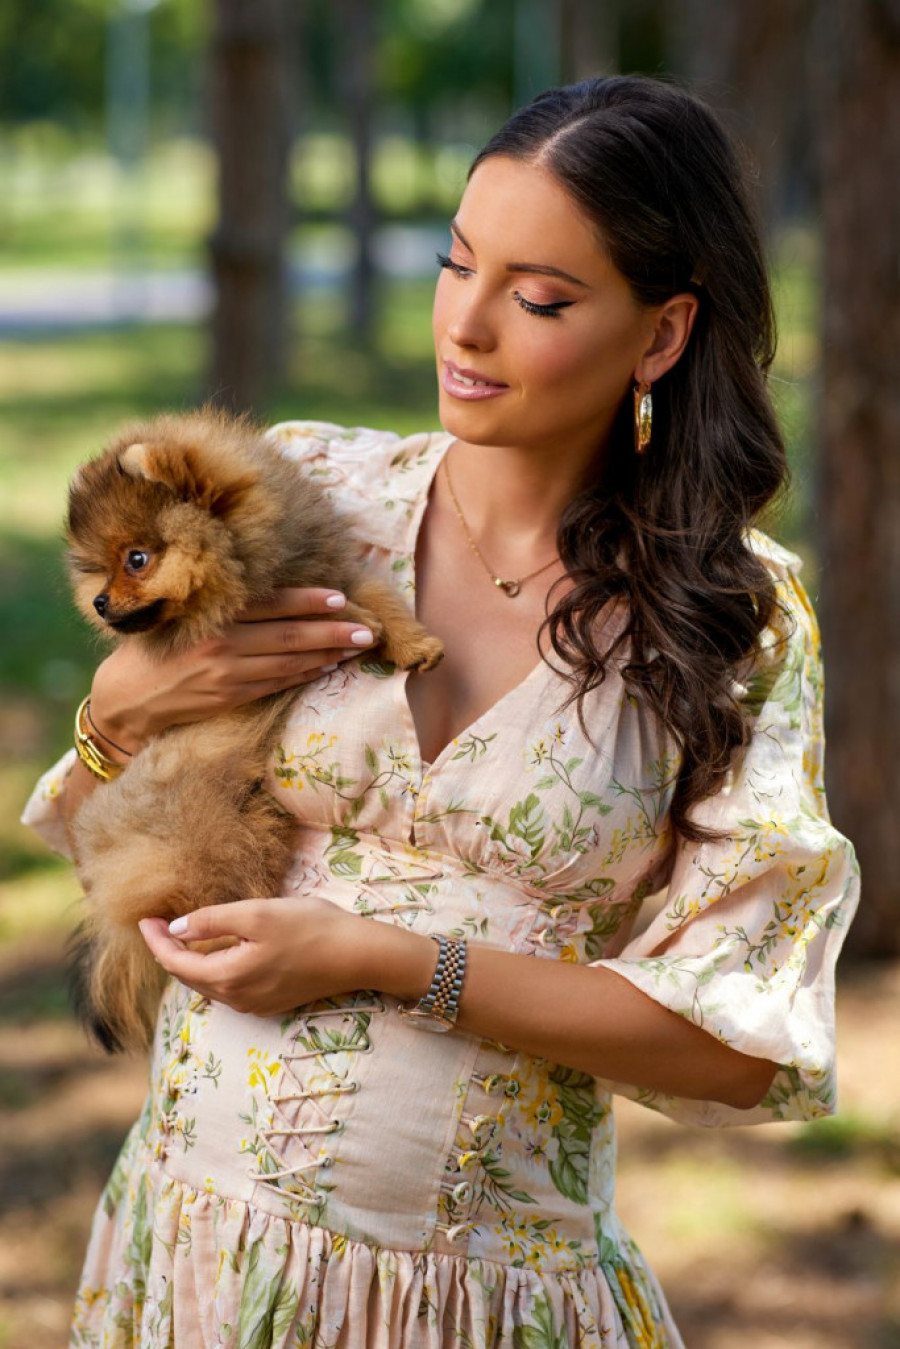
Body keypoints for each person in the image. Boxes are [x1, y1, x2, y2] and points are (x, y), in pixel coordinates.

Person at [23, 75, 858, 1348]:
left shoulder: (732, 617)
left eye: (539, 297)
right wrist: (116, 708)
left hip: (490, 1304)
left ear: (661, 334)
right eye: (455, 263)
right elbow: (105, 843)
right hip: (196, 1259)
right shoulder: (308, 497)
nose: (465, 325)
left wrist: (395, 960)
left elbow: (742, 1043)